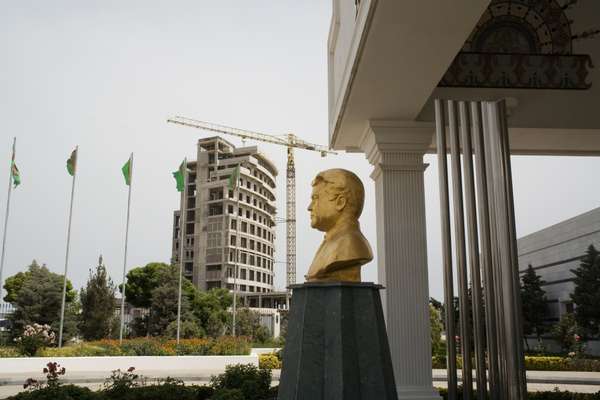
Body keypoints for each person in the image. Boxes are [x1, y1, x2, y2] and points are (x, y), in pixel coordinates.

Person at [305, 168, 373, 282]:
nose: (310, 207)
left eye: (315, 199)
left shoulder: (351, 244)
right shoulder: (332, 242)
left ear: (340, 202)